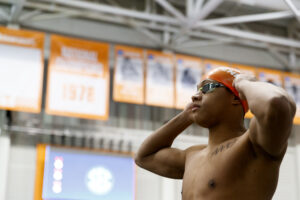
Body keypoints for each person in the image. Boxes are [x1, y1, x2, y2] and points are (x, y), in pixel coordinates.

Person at [135, 67, 296, 200]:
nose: (195, 95)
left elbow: (275, 104)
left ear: (235, 97)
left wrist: (243, 83)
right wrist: (187, 115)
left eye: (207, 87)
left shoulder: (254, 145)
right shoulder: (192, 156)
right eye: (197, 90)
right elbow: (144, 157)